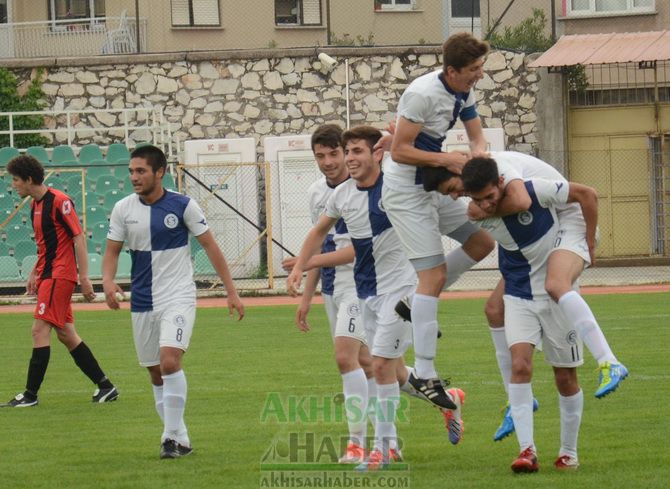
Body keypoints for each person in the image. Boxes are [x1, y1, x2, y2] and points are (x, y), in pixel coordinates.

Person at [287, 126, 464, 471]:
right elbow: (318, 232)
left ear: (376, 154)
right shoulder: (341, 196)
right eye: (347, 152)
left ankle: (380, 448)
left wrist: (401, 136)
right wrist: (299, 270)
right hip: (365, 291)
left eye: (356, 152)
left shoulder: (398, 187)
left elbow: (413, 147)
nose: (349, 159)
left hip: (400, 293)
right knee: (387, 369)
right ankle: (444, 398)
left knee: (378, 366)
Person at [423, 151, 628, 440]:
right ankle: (515, 399)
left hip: (569, 219)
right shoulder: (479, 193)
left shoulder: (503, 175)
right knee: (494, 309)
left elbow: (522, 201)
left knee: (556, 285)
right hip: (537, 243)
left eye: (453, 189)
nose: (456, 196)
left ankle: (609, 361)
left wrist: (589, 244)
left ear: (462, 172)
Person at [101, 145, 244, 459]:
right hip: (141, 300)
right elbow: (111, 252)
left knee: (169, 362)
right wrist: (109, 282)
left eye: (141, 171)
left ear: (159, 172)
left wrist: (231, 290)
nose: (134, 177)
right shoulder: (123, 208)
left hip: (177, 296)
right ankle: (181, 439)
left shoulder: (184, 206)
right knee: (155, 373)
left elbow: (210, 246)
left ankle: (168, 436)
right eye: (131, 171)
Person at [381, 32, 494, 408]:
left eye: (480, 68)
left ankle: (414, 304)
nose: (479, 75)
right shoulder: (422, 93)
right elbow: (399, 151)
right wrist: (448, 160)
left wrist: (477, 159)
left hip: (431, 186)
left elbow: (477, 137)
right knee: (434, 278)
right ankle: (426, 373)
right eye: (473, 70)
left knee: (482, 243)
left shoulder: (463, 89)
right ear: (451, 70)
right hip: (406, 192)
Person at [461, 156, 596, 472]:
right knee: (520, 366)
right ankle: (526, 451)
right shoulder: (478, 212)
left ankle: (568, 453)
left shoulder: (534, 191)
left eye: (490, 197)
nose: (486, 205)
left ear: (501, 182)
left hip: (555, 295)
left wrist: (588, 243)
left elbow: (586, 194)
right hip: (519, 293)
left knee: (565, 376)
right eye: (478, 199)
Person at [282, 124, 373, 464]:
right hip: (334, 285)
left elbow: (356, 251)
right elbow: (319, 241)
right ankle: (438, 391)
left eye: (334, 154)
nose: (328, 162)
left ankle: (356, 443)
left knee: (344, 358)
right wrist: (308, 296)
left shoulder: (361, 188)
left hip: (363, 282)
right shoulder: (317, 193)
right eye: (320, 156)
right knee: (369, 363)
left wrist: (304, 262)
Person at [2, 155, 118, 408]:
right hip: (47, 274)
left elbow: (79, 238)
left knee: (38, 330)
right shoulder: (34, 205)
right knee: (66, 334)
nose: (14, 185)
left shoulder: (60, 202)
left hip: (60, 275)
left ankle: (30, 395)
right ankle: (106, 387)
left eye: (16, 180)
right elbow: (47, 245)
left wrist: (85, 277)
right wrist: (34, 272)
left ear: (29, 179)